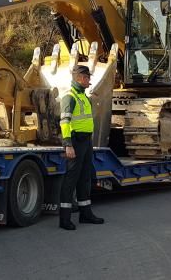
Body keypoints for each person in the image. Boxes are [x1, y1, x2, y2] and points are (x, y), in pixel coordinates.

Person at [58, 65, 105, 230]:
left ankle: (86, 214)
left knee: (85, 178)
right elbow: (64, 122)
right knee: (71, 179)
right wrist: (68, 145)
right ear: (79, 78)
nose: (89, 81)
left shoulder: (84, 97)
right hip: (75, 142)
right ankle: (64, 219)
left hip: (86, 142)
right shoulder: (69, 97)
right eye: (87, 78)